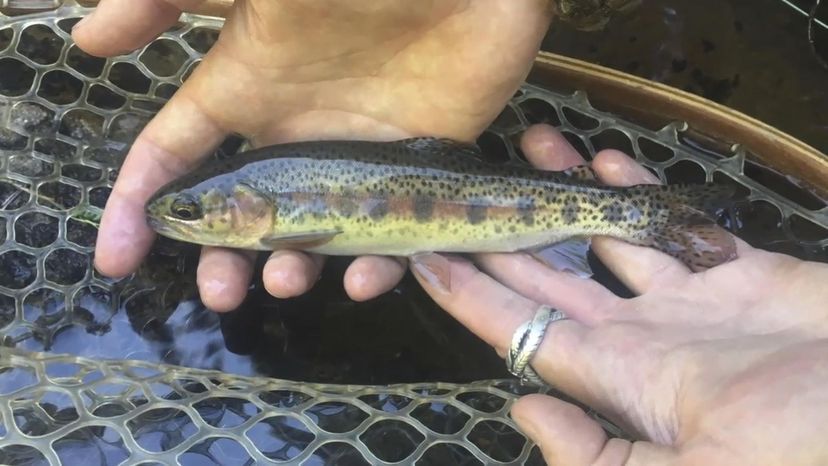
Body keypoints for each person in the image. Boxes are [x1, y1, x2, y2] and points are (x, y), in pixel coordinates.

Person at [73, 2, 828, 464]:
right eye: (190, 216)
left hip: (486, 200)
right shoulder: (267, 199)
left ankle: (655, 214)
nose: (183, 221)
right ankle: (661, 214)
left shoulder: (279, 217)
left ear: (246, 208)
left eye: (195, 212)